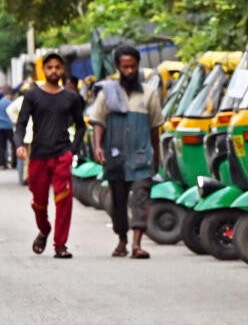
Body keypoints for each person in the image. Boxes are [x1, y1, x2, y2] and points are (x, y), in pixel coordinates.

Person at [91, 46, 163, 259]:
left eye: (133, 66)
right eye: (125, 67)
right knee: (118, 202)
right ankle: (121, 239)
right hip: (116, 157)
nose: (130, 71)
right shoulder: (108, 93)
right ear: (118, 68)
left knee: (141, 199)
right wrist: (97, 147)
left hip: (141, 157)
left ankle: (137, 244)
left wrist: (156, 157)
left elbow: (155, 128)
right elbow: (98, 122)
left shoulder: (149, 94)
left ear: (138, 65)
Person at [16, 53, 86, 258]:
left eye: (57, 67)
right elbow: (21, 124)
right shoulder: (32, 95)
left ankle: (60, 245)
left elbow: (81, 127)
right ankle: (44, 229)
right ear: (43, 70)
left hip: (61, 156)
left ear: (62, 69)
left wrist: (71, 150)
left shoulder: (71, 98)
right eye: (49, 67)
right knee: (39, 202)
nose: (53, 71)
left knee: (64, 201)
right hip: (38, 155)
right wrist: (19, 144)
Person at [0, 87, 13, 169]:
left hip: (0, 126)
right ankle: (14, 162)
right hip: (8, 126)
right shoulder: (10, 103)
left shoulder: (0, 102)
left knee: (2, 146)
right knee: (14, 144)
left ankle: (2, 164)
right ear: (9, 95)